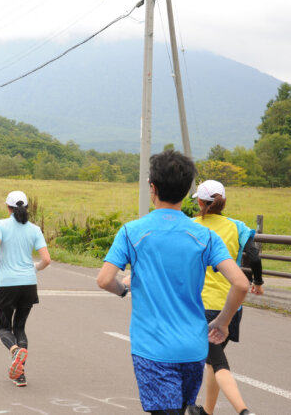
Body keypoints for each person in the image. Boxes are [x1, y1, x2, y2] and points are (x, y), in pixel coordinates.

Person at [97, 150, 249, 415]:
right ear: (186, 189)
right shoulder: (206, 236)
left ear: (152, 188)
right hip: (193, 348)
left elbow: (104, 279)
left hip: (152, 348)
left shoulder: (132, 232)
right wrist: (223, 322)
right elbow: (241, 284)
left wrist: (124, 289)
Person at [187, 180, 264, 415]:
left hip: (199, 305)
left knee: (218, 363)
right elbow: (254, 256)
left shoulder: (190, 226)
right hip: (232, 306)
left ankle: (243, 411)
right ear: (224, 201)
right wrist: (258, 283)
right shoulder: (237, 226)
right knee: (212, 360)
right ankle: (207, 412)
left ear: (199, 203)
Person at [0, 190, 50, 387]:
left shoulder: (1, 225)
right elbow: (46, 260)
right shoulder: (34, 229)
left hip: (7, 283)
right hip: (29, 284)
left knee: (4, 328)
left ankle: (14, 351)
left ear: (8, 208)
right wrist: (35, 268)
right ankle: (20, 375)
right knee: (20, 328)